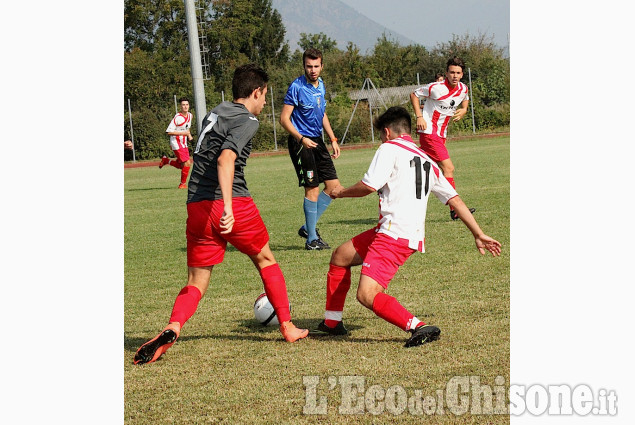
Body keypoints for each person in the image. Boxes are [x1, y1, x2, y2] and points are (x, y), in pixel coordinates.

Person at [134, 64, 309, 365]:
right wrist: (228, 207)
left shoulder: (215, 111)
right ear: (255, 92)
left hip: (196, 204)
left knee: (196, 282)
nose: (265, 102)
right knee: (265, 259)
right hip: (231, 203)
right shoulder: (248, 120)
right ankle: (288, 326)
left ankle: (173, 327)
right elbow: (225, 159)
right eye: (265, 95)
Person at [316, 106, 501, 347]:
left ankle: (419, 327)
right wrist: (478, 233)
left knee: (366, 294)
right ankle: (332, 323)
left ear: (386, 132)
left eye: (381, 136)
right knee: (340, 256)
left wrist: (340, 193)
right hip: (397, 232)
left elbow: (368, 186)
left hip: (394, 235)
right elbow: (454, 199)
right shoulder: (427, 159)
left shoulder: (388, 148)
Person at [279, 48, 341, 250]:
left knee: (333, 188)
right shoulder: (296, 87)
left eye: (316, 66)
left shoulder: (321, 85)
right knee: (312, 188)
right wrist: (301, 138)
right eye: (309, 66)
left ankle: (308, 227)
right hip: (301, 143)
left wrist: (332, 138)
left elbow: (321, 113)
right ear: (304, 66)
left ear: (322, 66)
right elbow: (284, 119)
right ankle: (311, 240)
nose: (313, 70)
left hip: (318, 141)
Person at [410, 57, 475, 220]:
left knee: (424, 170)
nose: (455, 75)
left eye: (458, 73)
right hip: (429, 133)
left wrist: (465, 109)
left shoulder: (463, 89)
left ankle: (391, 184)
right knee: (448, 168)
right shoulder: (435, 88)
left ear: (462, 75)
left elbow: (465, 98)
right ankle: (456, 209)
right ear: (446, 73)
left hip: (441, 134)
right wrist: (419, 116)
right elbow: (414, 94)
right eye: (452, 72)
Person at [159, 97, 194, 189]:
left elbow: (187, 128)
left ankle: (166, 161)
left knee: (182, 165)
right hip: (176, 143)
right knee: (187, 163)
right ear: (180, 106)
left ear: (189, 106)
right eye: (183, 105)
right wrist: (183, 133)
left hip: (184, 143)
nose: (185, 107)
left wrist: (189, 135)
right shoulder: (177, 118)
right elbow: (169, 132)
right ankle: (182, 184)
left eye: (187, 104)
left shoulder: (190, 115)